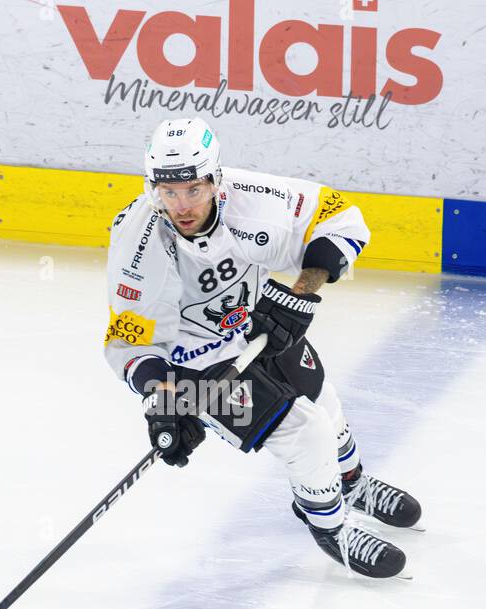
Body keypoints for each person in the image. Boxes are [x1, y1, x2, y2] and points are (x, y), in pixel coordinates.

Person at [102, 117, 420, 579]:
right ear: (153, 187)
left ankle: (350, 483)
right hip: (195, 368)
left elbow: (342, 217)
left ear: (215, 179)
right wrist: (165, 398)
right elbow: (127, 344)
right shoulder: (140, 242)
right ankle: (330, 525)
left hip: (259, 327)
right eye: (168, 192)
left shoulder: (252, 199)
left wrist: (303, 292)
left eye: (193, 189)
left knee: (323, 401)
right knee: (306, 433)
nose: (181, 205)